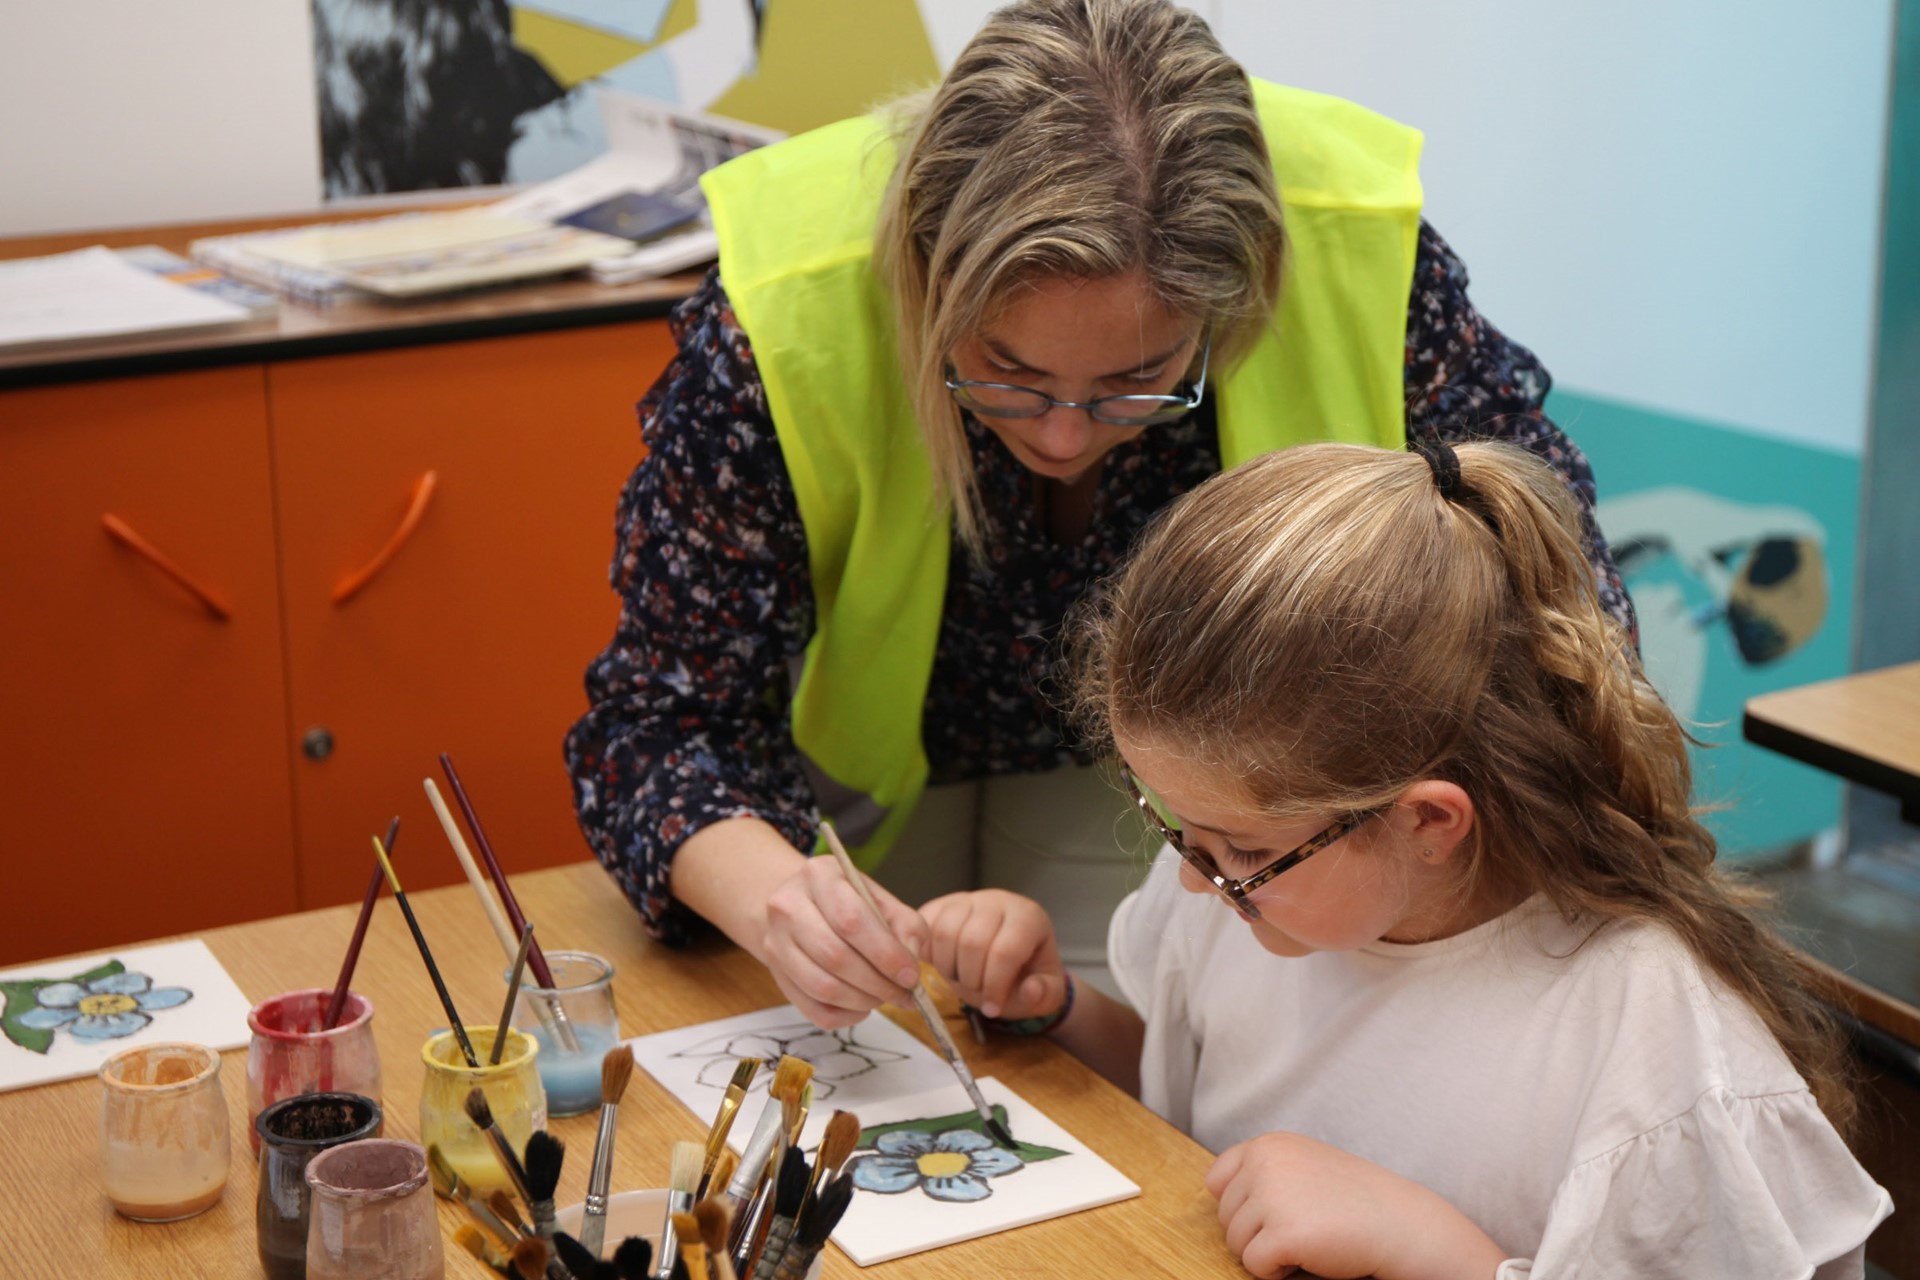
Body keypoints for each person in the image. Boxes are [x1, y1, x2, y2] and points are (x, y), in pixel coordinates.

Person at [564, 0, 1638, 1028]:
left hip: (1191, 788)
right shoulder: (785, 311)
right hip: (851, 773)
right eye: (1003, 373)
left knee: (1134, 1084)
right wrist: (779, 897)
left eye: (1141, 380)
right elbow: (660, 722)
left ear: (1235, 300)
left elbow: (1558, 608)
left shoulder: (1361, 257)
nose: (1067, 436)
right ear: (927, 283)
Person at [918, 439, 1891, 1278]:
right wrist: (1057, 1007)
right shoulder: (1251, 890)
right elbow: (1190, 1087)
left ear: (1429, 822)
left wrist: (1440, 1249)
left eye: (1239, 848)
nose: (1193, 877)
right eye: (1173, 824)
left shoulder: (1654, 1048)